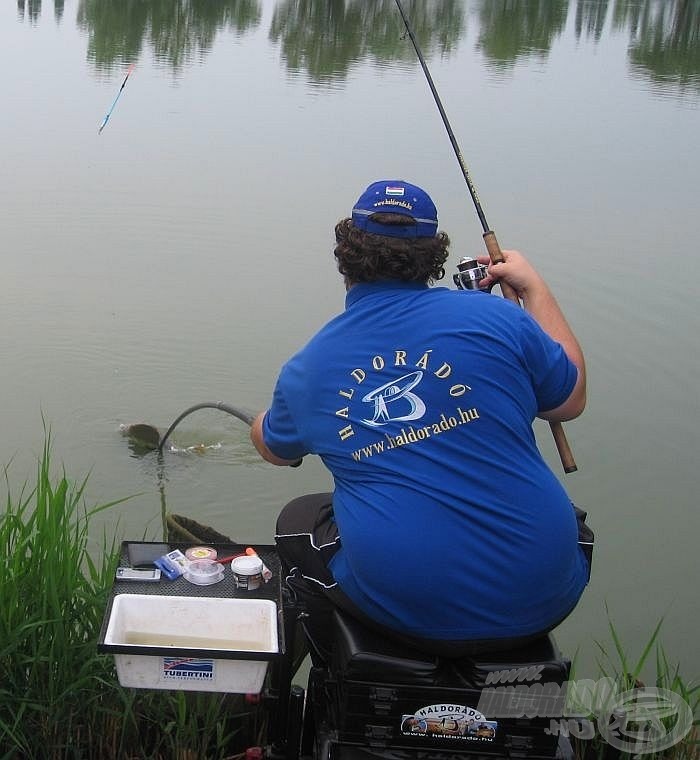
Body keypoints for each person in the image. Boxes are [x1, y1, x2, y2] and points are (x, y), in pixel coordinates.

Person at [251, 179, 589, 662]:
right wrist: (534, 290)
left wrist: (263, 422)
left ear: (345, 255)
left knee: (299, 520)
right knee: (569, 520)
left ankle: (328, 679)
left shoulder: (310, 367)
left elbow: (274, 449)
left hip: (408, 611)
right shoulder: (500, 320)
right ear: (434, 257)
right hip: (547, 594)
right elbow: (569, 400)